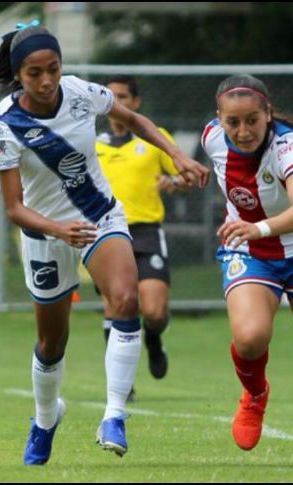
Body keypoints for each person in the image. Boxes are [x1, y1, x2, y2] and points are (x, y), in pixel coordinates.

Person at [0, 21, 208, 465]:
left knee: (125, 299)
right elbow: (13, 207)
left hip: (98, 215)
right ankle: (45, 419)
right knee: (51, 343)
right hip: (44, 231)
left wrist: (178, 154)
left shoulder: (81, 92)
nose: (47, 81)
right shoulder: (6, 122)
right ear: (18, 75)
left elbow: (133, 118)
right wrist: (57, 230)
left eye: (53, 69)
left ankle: (114, 415)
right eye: (34, 74)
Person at [201, 74, 293, 467]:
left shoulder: (287, 143)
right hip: (251, 251)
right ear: (219, 119)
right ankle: (254, 394)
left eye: (252, 119)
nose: (243, 130)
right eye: (233, 122)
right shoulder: (212, 138)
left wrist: (260, 226)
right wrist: (183, 172)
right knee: (250, 337)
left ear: (268, 114)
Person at [96, 75, 188, 394]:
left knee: (154, 311)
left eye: (123, 96)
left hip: (147, 232)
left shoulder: (154, 138)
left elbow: (185, 176)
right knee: (117, 305)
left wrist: (174, 183)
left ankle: (154, 337)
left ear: (135, 102)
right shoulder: (94, 145)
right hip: (108, 234)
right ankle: (124, 382)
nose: (116, 103)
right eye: (111, 97)